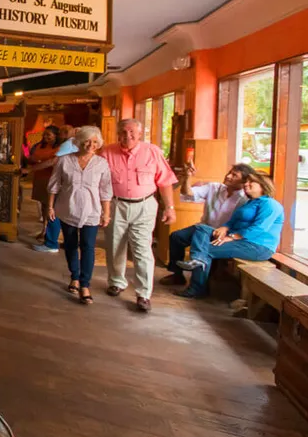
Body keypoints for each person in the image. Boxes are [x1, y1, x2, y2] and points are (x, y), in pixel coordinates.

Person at [101, 119, 177, 313]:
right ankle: (117, 281)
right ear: (118, 133)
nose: (128, 136)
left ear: (141, 133)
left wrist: (169, 207)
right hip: (116, 204)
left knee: (142, 249)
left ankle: (143, 294)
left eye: (132, 132)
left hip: (144, 205)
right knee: (114, 245)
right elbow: (99, 182)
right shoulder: (107, 152)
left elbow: (165, 181)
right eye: (124, 132)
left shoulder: (152, 152)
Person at [175, 172, 283, 297]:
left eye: (251, 182)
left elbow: (259, 228)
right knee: (202, 228)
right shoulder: (250, 202)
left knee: (205, 250)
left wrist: (231, 237)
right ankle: (198, 261)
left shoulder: (270, 204)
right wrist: (225, 228)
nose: (246, 184)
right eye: (246, 181)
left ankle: (197, 288)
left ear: (263, 185)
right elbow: (233, 221)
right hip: (239, 240)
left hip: (257, 246)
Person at [159, 162, 254, 295]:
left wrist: (230, 235)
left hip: (224, 234)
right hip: (204, 228)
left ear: (243, 181)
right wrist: (188, 177)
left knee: (202, 247)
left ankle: (197, 287)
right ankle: (177, 275)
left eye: (234, 175)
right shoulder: (214, 187)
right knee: (177, 237)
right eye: (229, 172)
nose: (228, 176)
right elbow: (188, 193)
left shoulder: (245, 199)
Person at [46, 126, 112, 305]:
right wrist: (50, 207)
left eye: (95, 142)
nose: (91, 145)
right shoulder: (64, 161)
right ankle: (74, 275)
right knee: (70, 244)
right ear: (78, 141)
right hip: (67, 209)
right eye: (87, 141)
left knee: (88, 246)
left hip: (92, 211)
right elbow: (54, 185)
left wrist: (106, 213)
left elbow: (105, 190)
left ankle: (85, 284)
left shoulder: (101, 164)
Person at [27, 125, 78, 252]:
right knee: (62, 212)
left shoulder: (68, 144)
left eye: (64, 132)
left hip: (61, 181)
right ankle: (67, 243)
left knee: (54, 211)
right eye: (61, 132)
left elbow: (53, 161)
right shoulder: (72, 144)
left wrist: (29, 169)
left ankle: (51, 243)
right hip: (63, 181)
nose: (62, 134)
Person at [25, 125, 61, 248]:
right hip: (39, 177)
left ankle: (48, 231)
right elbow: (31, 156)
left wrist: (32, 168)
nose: (46, 137)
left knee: (50, 206)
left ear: (56, 136)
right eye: (44, 135)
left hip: (51, 178)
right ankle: (44, 228)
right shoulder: (38, 145)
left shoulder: (59, 148)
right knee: (43, 204)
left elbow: (52, 162)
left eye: (49, 135)